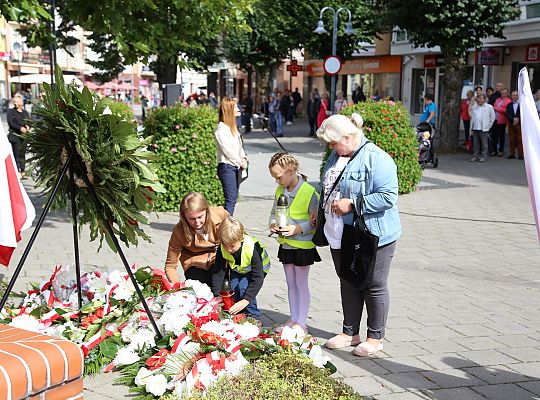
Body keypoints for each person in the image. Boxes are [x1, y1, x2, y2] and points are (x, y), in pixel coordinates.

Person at [314, 113, 401, 357]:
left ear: (348, 137)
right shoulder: (337, 154)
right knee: (348, 281)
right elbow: (329, 185)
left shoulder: (377, 159)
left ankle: (375, 337)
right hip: (339, 233)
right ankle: (350, 332)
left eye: (333, 143)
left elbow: (387, 197)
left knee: (374, 285)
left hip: (371, 234)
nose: (330, 148)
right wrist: (318, 210)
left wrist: (352, 204)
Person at [268, 153, 321, 335]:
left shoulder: (308, 192)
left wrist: (298, 228)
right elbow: (274, 212)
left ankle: (302, 322)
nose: (277, 181)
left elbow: (316, 221)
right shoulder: (280, 191)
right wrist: (273, 225)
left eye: (279, 177)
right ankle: (293, 319)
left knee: (301, 283)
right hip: (286, 244)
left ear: (291, 171)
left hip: (302, 246)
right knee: (290, 284)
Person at [165, 192, 229, 286]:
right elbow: (170, 265)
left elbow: (238, 237)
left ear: (207, 211)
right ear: (184, 217)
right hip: (193, 263)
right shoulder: (179, 231)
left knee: (222, 284)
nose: (197, 222)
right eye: (192, 219)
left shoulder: (220, 214)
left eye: (200, 217)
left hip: (219, 257)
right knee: (198, 288)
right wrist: (177, 287)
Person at [211, 217, 270, 318]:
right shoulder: (223, 247)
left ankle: (254, 317)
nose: (228, 249)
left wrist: (245, 300)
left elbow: (258, 278)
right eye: (225, 245)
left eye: (232, 246)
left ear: (241, 239)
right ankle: (237, 315)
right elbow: (218, 272)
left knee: (244, 288)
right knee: (232, 288)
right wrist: (217, 296)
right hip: (238, 269)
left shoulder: (253, 248)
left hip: (256, 270)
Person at [214, 97, 248, 215]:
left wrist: (243, 158)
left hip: (235, 166)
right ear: (229, 110)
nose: (238, 109)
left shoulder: (232, 128)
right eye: (235, 107)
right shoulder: (221, 130)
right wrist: (240, 161)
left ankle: (225, 224)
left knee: (232, 199)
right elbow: (227, 150)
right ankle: (226, 227)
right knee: (231, 199)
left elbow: (239, 146)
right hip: (227, 167)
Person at [6, 95, 30, 178]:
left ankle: (23, 171)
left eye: (17, 102)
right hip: (15, 136)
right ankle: (17, 171)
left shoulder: (25, 112)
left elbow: (29, 121)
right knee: (16, 154)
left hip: (23, 136)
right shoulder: (11, 112)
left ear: (21, 103)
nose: (16, 103)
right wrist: (20, 128)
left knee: (22, 154)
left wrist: (28, 126)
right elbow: (11, 123)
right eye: (15, 102)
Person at [469, 94, 495, 162]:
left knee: (484, 144)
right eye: (478, 98)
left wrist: (488, 126)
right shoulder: (475, 106)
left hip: (484, 128)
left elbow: (492, 117)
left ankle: (484, 156)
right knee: (475, 143)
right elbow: (471, 117)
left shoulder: (489, 107)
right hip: (475, 128)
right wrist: (471, 128)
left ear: (484, 99)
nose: (479, 100)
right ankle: (475, 156)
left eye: (480, 98)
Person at [491, 88, 511, 157]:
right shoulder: (498, 99)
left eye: (505, 93)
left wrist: (496, 108)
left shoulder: (508, 101)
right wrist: (496, 108)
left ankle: (501, 150)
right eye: (502, 93)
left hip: (502, 120)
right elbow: (494, 106)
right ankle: (494, 150)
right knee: (494, 135)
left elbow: (506, 110)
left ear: (507, 94)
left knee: (501, 136)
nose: (503, 94)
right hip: (495, 119)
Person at [506, 90, 523, 160]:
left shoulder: (521, 104)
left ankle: (520, 155)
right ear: (511, 96)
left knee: (520, 140)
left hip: (519, 124)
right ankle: (512, 154)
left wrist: (518, 118)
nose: (515, 96)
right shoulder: (509, 105)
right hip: (511, 124)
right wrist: (513, 119)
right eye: (513, 95)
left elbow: (522, 113)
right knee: (511, 140)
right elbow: (507, 113)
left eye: (516, 95)